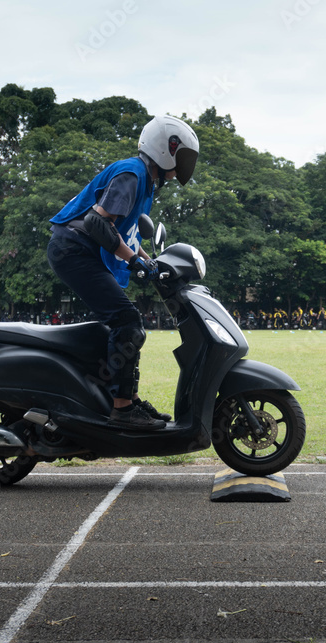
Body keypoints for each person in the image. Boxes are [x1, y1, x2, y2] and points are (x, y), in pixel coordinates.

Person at [47, 115, 199, 430]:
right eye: (181, 155)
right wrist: (133, 261)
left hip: (77, 250)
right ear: (166, 148)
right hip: (72, 249)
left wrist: (148, 259)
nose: (181, 167)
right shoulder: (132, 174)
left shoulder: (144, 183)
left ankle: (123, 398)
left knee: (120, 327)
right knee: (128, 324)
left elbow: (124, 234)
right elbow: (97, 223)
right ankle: (123, 409)